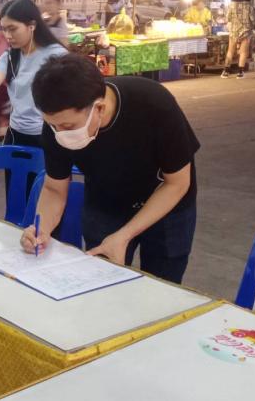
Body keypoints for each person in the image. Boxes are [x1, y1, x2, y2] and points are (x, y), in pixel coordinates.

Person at [22, 54, 200, 284]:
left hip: (166, 205)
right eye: (53, 125)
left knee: (162, 286)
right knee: (101, 282)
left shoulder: (153, 104)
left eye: (68, 126)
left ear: (99, 108)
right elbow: (54, 189)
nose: (60, 133)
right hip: (106, 203)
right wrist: (41, 230)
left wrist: (124, 235)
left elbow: (177, 183)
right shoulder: (56, 124)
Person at [0, 0, 67, 175]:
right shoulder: (10, 57)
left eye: (13, 29)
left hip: (46, 136)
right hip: (15, 135)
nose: (8, 35)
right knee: (15, 188)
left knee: (42, 187)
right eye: (4, 29)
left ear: (32, 26)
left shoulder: (57, 56)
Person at [221, 0, 254, 79]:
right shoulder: (249, 6)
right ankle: (240, 72)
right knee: (243, 52)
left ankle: (225, 71)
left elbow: (227, 18)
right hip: (245, 31)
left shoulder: (231, 5)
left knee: (230, 51)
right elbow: (252, 18)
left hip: (233, 31)